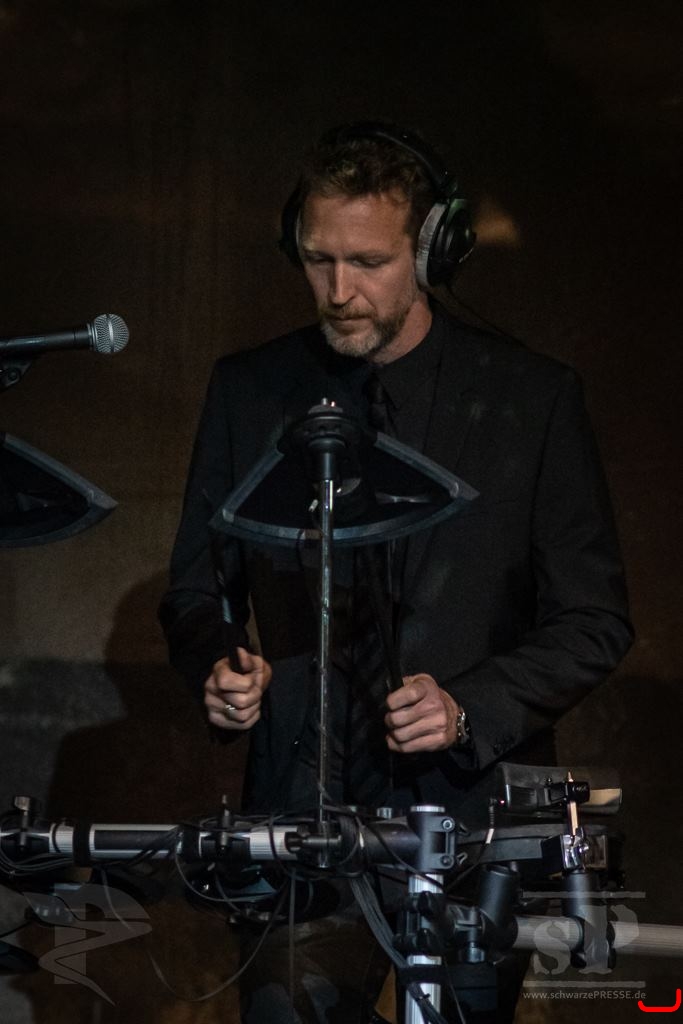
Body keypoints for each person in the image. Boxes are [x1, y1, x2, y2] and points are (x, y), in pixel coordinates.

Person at [159, 122, 633, 1022]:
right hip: (301, 823)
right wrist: (217, 665)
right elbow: (194, 588)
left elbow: (594, 619)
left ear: (431, 250)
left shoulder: (531, 400)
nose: (339, 291)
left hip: (471, 824)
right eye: (318, 260)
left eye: (368, 262)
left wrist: (468, 708)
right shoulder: (249, 390)